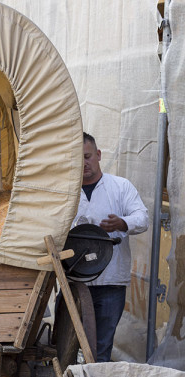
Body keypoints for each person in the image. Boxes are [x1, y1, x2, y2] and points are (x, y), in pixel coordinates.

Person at [73, 132, 149, 362]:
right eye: (77, 158)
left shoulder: (120, 186)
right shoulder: (67, 192)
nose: (84, 163)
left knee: (101, 348)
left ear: (98, 155)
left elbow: (143, 218)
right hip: (73, 280)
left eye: (87, 156)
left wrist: (123, 222)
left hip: (110, 282)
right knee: (66, 344)